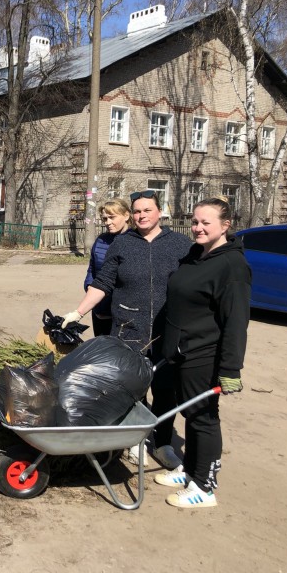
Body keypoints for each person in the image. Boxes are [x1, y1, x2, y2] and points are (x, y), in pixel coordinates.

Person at [61, 189, 192, 469]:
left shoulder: (180, 244)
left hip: (167, 330)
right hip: (129, 328)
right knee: (132, 387)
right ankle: (136, 440)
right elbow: (102, 282)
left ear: (160, 212)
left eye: (147, 210)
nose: (142, 215)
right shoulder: (122, 244)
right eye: (137, 211)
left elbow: (195, 285)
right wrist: (78, 311)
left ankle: (163, 442)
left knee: (165, 389)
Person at [154, 197, 251, 509]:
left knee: (203, 417)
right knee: (190, 414)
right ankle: (192, 471)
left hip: (204, 353)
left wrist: (231, 369)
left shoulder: (231, 266)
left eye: (205, 223)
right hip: (182, 351)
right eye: (195, 221)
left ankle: (204, 488)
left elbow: (236, 321)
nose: (197, 228)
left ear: (225, 225)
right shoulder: (196, 255)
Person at [82, 198, 133, 337]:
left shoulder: (135, 241)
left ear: (126, 215)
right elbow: (92, 270)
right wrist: (90, 290)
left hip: (121, 311)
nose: (108, 222)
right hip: (98, 308)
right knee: (101, 347)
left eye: (112, 217)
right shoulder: (101, 240)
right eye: (105, 219)